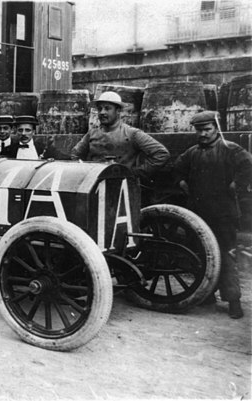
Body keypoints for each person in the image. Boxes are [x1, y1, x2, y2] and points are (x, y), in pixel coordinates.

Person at [174, 110, 252, 319]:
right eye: (199, 130)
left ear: (216, 129)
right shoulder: (192, 153)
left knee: (227, 255)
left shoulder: (230, 149)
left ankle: (233, 300)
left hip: (224, 214)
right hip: (200, 214)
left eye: (207, 129)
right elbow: (177, 168)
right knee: (203, 255)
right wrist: (182, 182)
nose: (203, 134)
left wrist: (238, 184)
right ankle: (207, 294)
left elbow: (248, 166)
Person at [71, 91, 170, 180]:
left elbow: (161, 154)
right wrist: (84, 172)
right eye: (100, 109)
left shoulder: (132, 134)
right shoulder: (92, 133)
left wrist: (134, 173)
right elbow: (75, 154)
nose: (102, 112)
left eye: (107, 108)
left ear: (118, 111)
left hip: (124, 186)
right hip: (95, 184)